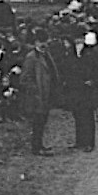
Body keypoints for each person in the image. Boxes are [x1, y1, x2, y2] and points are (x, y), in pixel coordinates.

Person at [20, 28, 60, 156]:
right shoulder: (31, 57)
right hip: (38, 96)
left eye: (45, 42)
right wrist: (35, 91)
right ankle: (36, 148)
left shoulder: (46, 54)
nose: (44, 44)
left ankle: (39, 145)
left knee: (42, 121)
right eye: (41, 42)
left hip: (47, 94)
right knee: (38, 122)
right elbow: (25, 78)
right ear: (36, 42)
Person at [67, 31, 98, 151]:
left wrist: (94, 81)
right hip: (74, 89)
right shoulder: (70, 54)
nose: (78, 43)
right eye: (76, 40)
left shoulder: (90, 53)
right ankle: (80, 141)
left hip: (87, 90)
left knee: (88, 116)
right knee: (77, 115)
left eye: (80, 40)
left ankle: (90, 142)